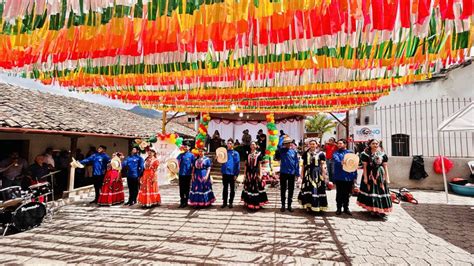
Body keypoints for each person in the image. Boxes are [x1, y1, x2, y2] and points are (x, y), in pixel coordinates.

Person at [357, 139, 392, 217]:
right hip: (370, 175)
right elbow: (365, 167)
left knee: (381, 191)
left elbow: (385, 166)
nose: (375, 145)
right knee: (371, 191)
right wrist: (365, 177)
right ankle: (372, 209)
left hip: (380, 175)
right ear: (370, 145)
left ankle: (380, 209)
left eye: (376, 143)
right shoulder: (365, 154)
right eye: (373, 143)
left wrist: (387, 177)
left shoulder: (382, 154)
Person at [298, 140, 328, 212]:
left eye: (313, 144)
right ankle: (308, 205)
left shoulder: (321, 154)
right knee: (308, 188)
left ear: (316, 145)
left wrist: (324, 174)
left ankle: (318, 205)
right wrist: (301, 174)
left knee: (317, 188)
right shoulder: (305, 153)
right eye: (310, 144)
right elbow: (303, 165)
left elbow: (323, 165)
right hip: (307, 173)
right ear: (309, 145)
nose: (312, 145)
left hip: (317, 173)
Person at [333, 139, 357, 215]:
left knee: (347, 193)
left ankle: (346, 208)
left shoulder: (351, 153)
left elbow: (354, 164)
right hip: (339, 176)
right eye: (338, 143)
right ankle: (338, 208)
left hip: (349, 176)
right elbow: (337, 162)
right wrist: (342, 162)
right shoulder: (336, 153)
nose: (339, 145)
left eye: (340, 143)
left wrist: (355, 176)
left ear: (345, 144)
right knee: (339, 193)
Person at [241, 142, 268, 210]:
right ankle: (249, 203)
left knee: (257, 187)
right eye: (251, 144)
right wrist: (244, 175)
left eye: (253, 144)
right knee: (249, 187)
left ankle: (258, 203)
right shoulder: (248, 154)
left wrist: (260, 174)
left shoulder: (259, 154)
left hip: (256, 172)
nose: (252, 145)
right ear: (250, 146)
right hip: (249, 173)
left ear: (256, 146)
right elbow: (246, 165)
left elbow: (259, 165)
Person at [278, 136, 300, 212]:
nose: (287, 144)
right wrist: (282, 138)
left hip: (292, 173)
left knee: (291, 189)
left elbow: (296, 163)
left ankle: (289, 205)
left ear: (290, 143)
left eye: (288, 143)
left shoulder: (294, 152)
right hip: (283, 172)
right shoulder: (282, 150)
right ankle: (283, 205)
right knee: (283, 189)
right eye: (286, 143)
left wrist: (297, 173)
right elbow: (278, 145)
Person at [221, 139, 240, 208]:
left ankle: (231, 202)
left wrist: (236, 174)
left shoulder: (236, 153)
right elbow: (220, 161)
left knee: (232, 189)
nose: (229, 144)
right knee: (225, 188)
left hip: (232, 174)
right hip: (225, 173)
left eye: (230, 143)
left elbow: (237, 164)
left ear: (233, 145)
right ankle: (224, 202)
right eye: (228, 143)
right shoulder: (224, 152)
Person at [176, 142, 195, 208]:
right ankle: (182, 201)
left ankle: (186, 201)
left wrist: (193, 173)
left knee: (187, 188)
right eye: (184, 146)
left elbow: (194, 165)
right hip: (181, 173)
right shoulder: (180, 155)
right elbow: (176, 162)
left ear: (189, 148)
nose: (185, 148)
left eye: (186, 146)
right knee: (181, 188)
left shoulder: (192, 155)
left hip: (188, 174)